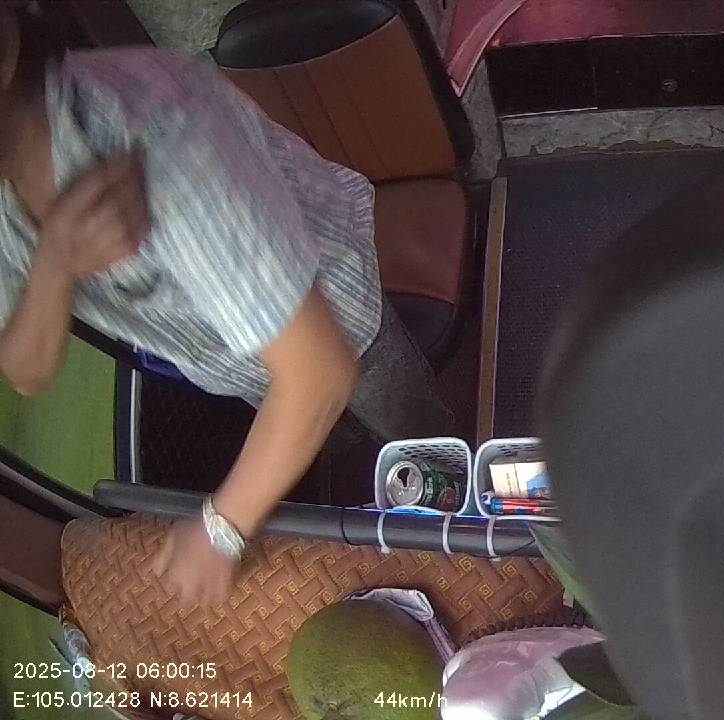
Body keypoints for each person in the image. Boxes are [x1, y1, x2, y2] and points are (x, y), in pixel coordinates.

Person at [0, 5, 454, 604]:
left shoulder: (154, 125)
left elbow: (319, 373)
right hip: (242, 367)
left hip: (341, 315)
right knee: (338, 448)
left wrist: (219, 531)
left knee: (423, 449)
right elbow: (24, 369)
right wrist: (54, 263)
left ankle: (465, 512)